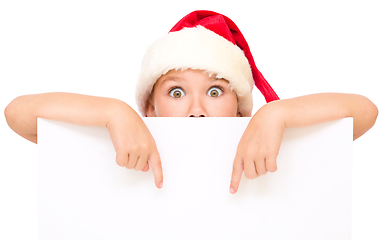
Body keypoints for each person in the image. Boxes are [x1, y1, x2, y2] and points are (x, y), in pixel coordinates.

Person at [4, 10, 378, 194]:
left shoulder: (263, 138)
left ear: (240, 107)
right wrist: (112, 112)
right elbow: (17, 114)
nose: (197, 108)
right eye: (176, 92)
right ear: (150, 109)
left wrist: (277, 114)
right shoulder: (128, 138)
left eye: (215, 92)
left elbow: (365, 112)